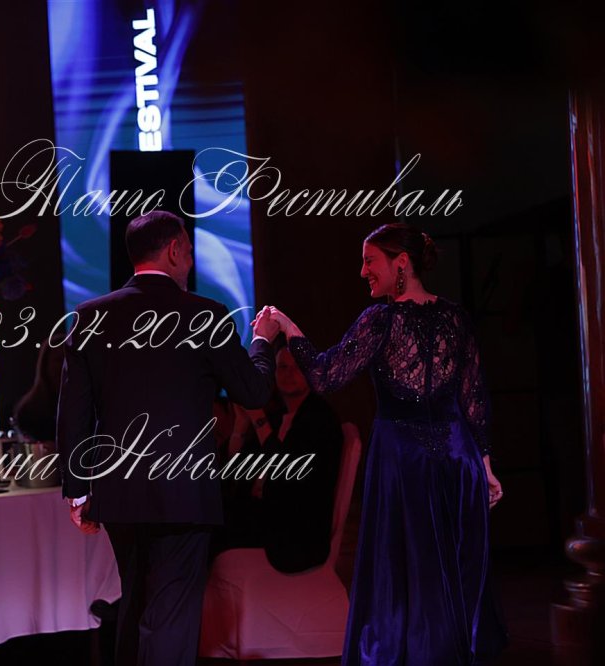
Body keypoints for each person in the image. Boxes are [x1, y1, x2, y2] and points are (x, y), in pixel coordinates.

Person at [267, 222, 507, 664]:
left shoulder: (381, 319)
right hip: (458, 459)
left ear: (401, 263)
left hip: (404, 462)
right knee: (448, 571)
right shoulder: (456, 317)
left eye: (369, 261)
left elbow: (325, 376)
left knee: (406, 573)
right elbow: (473, 398)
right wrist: (486, 466)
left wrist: (286, 325)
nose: (363, 271)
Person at [56, 210, 279, 666]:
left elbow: (73, 410)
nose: (191, 261)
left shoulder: (90, 316)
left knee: (137, 603)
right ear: (175, 250)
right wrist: (262, 341)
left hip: (119, 494)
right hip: (183, 492)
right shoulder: (205, 315)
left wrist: (77, 490)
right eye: (190, 251)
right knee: (170, 615)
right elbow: (254, 392)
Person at [214, 347, 343, 573]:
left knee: (211, 530)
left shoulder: (319, 419)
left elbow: (289, 477)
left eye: (297, 368)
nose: (288, 374)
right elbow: (234, 475)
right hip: (266, 517)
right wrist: (240, 428)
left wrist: (259, 422)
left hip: (295, 531)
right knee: (208, 517)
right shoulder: (277, 417)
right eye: (282, 367)